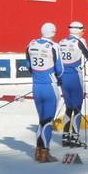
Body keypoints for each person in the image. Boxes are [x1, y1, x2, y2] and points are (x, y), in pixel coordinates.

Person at [27, 23, 64, 162]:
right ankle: (45, 152)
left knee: (42, 120)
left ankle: (38, 151)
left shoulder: (31, 44)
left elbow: (28, 66)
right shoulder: (54, 46)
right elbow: (60, 69)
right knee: (48, 121)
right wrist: (59, 80)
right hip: (50, 87)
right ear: (53, 32)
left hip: (36, 87)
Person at [58, 21, 88, 148]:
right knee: (77, 108)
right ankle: (74, 138)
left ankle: (65, 136)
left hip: (63, 77)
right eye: (82, 29)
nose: (83, 31)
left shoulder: (61, 42)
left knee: (68, 108)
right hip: (75, 77)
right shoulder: (80, 41)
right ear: (77, 30)